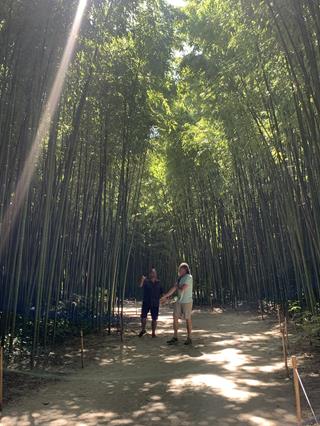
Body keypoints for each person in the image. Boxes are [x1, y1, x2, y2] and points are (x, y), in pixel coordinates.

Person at [161, 262, 193, 345]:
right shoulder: (179, 278)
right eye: (179, 269)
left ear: (186, 269)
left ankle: (189, 337)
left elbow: (182, 288)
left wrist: (177, 286)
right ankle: (175, 336)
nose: (180, 271)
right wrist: (165, 297)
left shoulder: (188, 277)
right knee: (175, 317)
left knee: (187, 318)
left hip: (187, 301)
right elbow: (174, 289)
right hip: (178, 301)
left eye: (181, 269)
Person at [139, 268, 163, 338]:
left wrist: (164, 299)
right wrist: (142, 280)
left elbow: (162, 292)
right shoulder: (146, 281)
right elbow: (140, 286)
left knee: (154, 318)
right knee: (143, 316)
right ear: (149, 274)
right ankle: (143, 330)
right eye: (152, 273)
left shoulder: (159, 283)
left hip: (155, 303)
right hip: (146, 301)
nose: (153, 274)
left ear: (156, 274)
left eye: (154, 273)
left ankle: (153, 333)